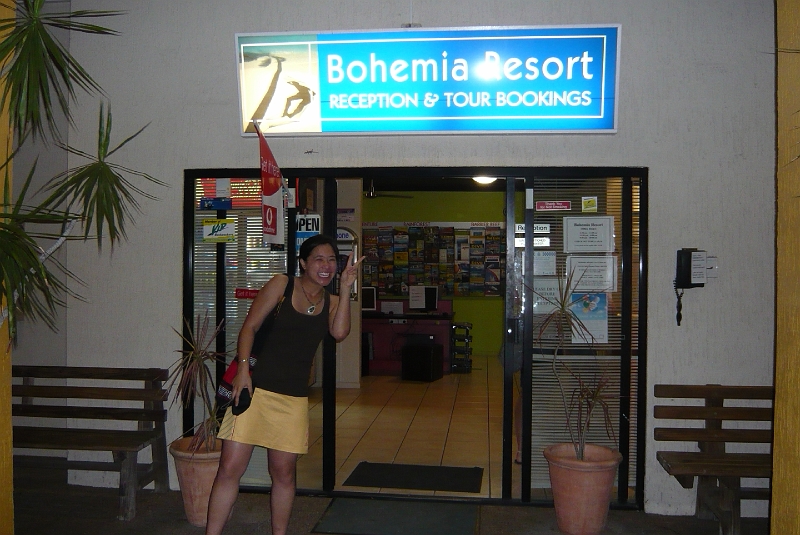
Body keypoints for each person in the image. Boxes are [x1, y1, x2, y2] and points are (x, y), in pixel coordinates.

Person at [205, 234, 363, 535]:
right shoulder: (282, 284)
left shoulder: (332, 302)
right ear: (303, 263)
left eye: (332, 260)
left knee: (284, 475)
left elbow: (340, 333)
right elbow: (249, 326)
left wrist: (345, 288)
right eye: (318, 259)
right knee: (229, 470)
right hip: (255, 389)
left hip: (292, 399)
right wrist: (242, 373)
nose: (326, 265)